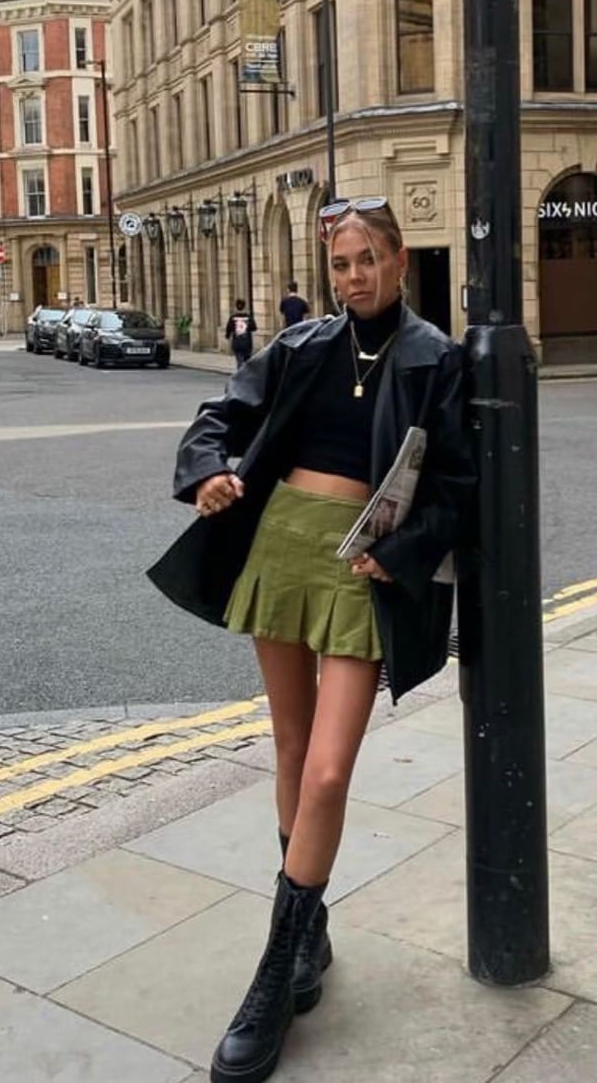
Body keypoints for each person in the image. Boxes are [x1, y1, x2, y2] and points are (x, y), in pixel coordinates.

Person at [147, 197, 475, 1083]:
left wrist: (401, 552)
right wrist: (210, 473)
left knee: (330, 767)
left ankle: (271, 970)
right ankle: (309, 938)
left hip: (361, 565)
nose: (354, 276)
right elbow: (218, 419)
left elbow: (454, 484)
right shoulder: (299, 347)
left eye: (368, 258)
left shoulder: (434, 357)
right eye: (340, 263)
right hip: (283, 545)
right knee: (291, 749)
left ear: (401, 261)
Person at [225, 298, 258, 368]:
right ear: (244, 306)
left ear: (236, 306)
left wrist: (227, 336)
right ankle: (246, 374)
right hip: (247, 342)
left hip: (237, 342)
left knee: (239, 360)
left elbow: (228, 329)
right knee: (247, 361)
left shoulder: (233, 317)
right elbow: (254, 328)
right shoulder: (248, 317)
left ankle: (240, 374)